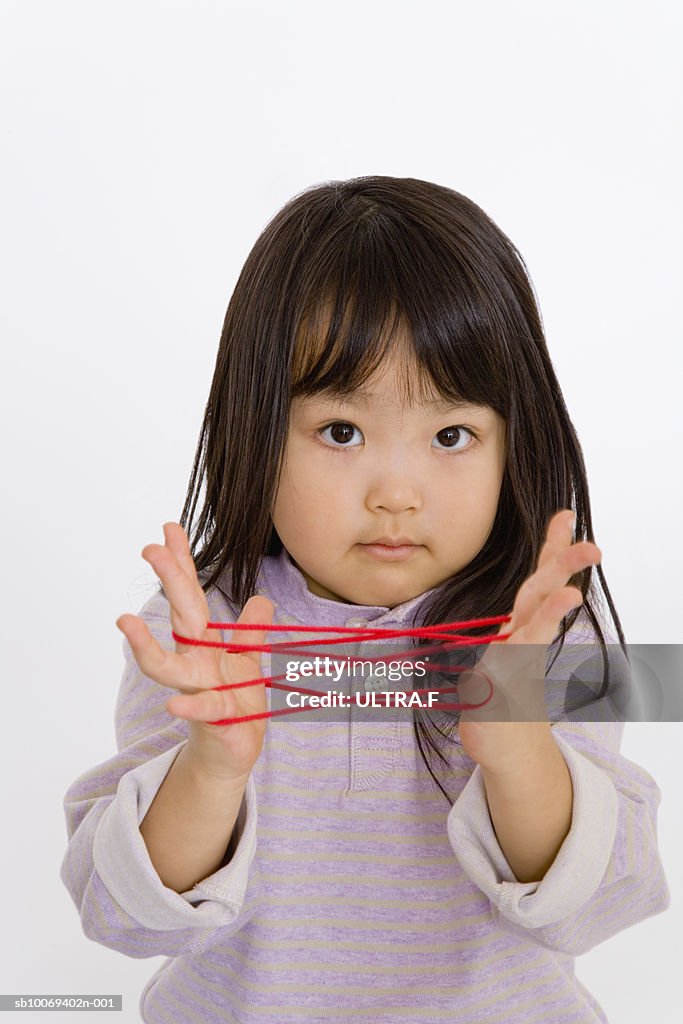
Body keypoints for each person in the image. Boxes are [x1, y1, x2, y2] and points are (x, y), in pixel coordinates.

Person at [60, 176, 670, 1023]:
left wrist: (517, 744)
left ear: (512, 443)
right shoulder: (206, 632)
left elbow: (595, 906)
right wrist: (210, 766)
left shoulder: (544, 630)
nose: (396, 492)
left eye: (451, 435)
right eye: (340, 432)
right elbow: (123, 918)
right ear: (256, 428)